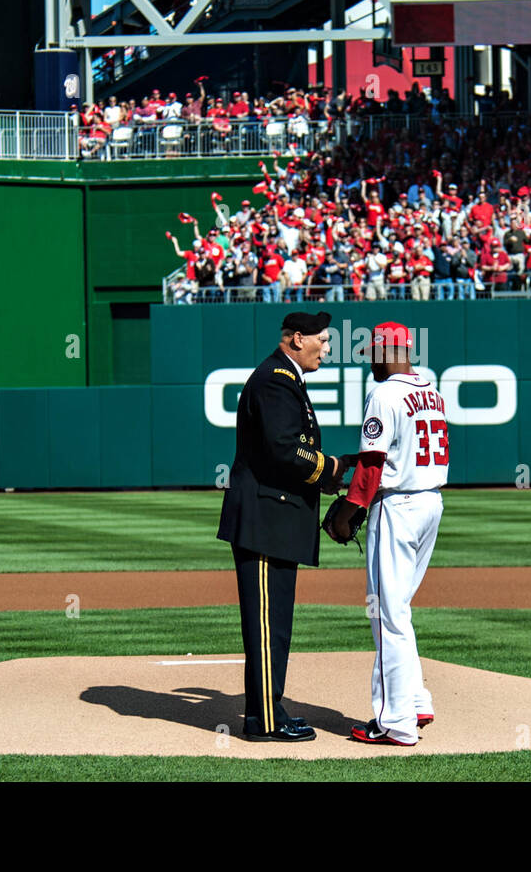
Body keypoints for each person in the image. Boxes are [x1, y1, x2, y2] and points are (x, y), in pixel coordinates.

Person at [216, 311, 351, 741]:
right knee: (267, 624)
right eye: (322, 341)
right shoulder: (275, 378)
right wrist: (332, 469)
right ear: (296, 339)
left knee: (275, 623)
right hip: (263, 521)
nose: (326, 349)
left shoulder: (283, 377)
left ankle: (266, 712)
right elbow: (282, 450)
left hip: (273, 520)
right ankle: (264, 721)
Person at [325, 322, 448, 747]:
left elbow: (376, 461)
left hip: (398, 507)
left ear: (384, 352)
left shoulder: (384, 393)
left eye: (372, 353)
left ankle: (395, 722)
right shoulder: (429, 390)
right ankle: (416, 700)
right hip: (430, 503)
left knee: (386, 614)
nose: (370, 361)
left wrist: (351, 508)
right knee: (399, 609)